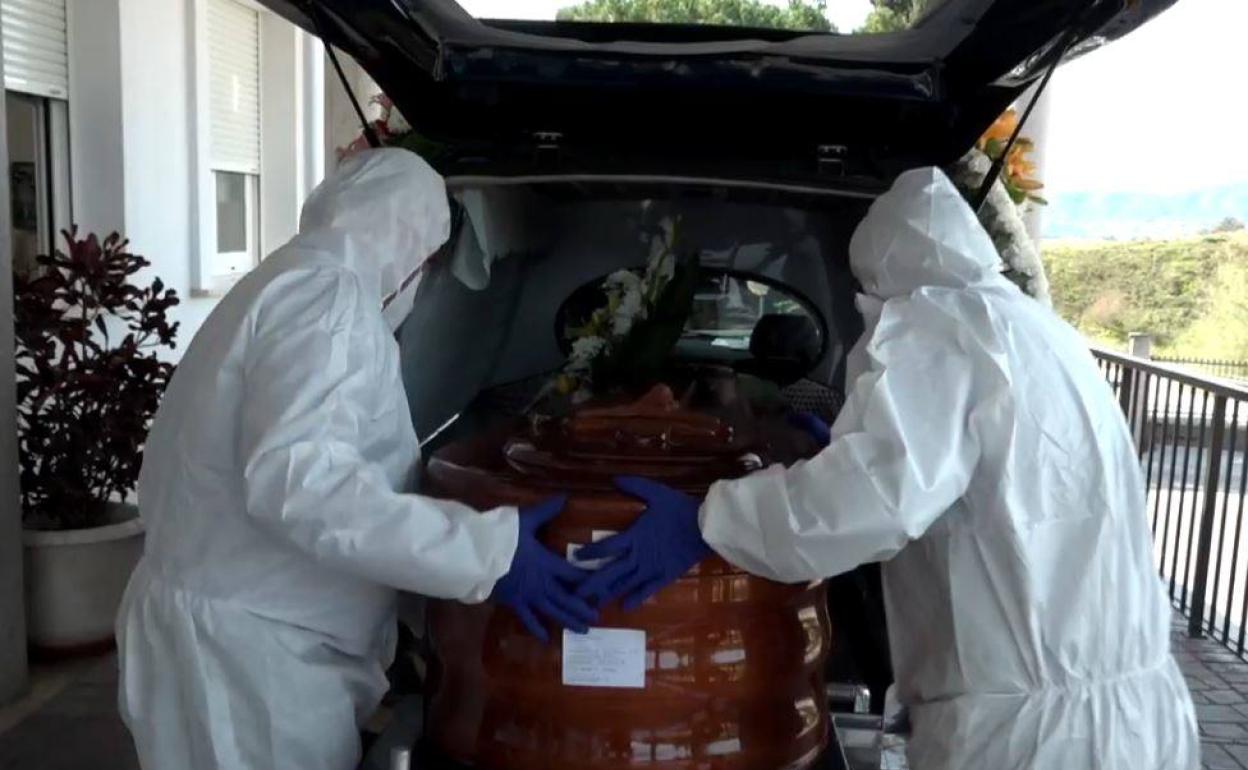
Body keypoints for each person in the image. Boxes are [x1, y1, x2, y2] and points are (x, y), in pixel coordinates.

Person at [575, 168, 1199, 769]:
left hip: (1032, 734)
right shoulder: (1038, 332)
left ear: (883, 276)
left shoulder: (941, 329)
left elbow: (869, 501)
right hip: (1140, 708)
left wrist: (710, 522)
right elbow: (977, 481)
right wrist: (843, 449)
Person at [116, 148, 594, 770]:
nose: (423, 280)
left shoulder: (285, 281)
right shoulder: (326, 301)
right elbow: (302, 485)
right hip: (249, 658)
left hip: (230, 629)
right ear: (408, 240)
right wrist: (486, 554)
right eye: (430, 261)